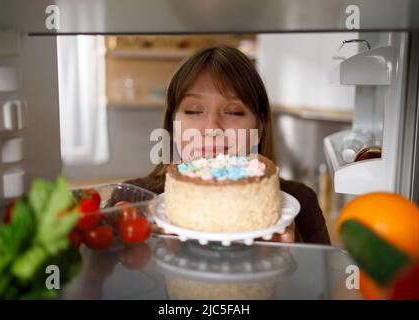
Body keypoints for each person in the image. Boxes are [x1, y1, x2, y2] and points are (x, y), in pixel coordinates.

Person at [122, 45, 330, 245]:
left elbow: (321, 281)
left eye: (233, 112)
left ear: (260, 129)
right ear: (173, 125)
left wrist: (286, 259)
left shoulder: (301, 203)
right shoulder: (130, 200)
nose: (212, 128)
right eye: (194, 110)